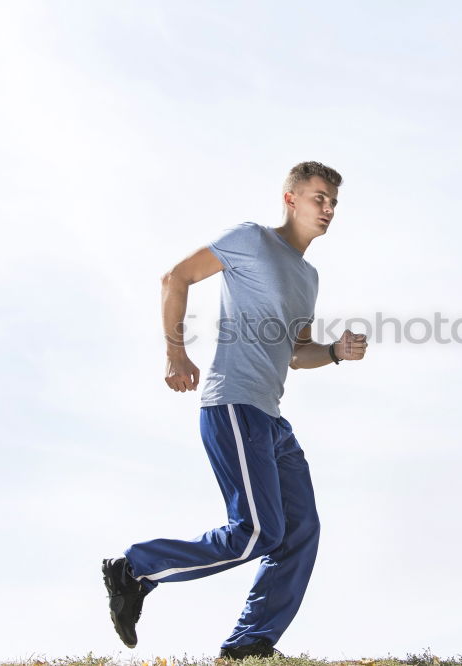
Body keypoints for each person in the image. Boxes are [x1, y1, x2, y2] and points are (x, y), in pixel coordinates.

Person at [101, 161, 368, 659]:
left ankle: (250, 645)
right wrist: (175, 352)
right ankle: (135, 568)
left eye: (333, 202)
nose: (328, 209)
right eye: (318, 198)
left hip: (270, 417)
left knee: (299, 530)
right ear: (290, 199)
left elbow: (296, 351)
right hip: (232, 404)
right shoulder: (251, 239)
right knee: (258, 532)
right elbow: (175, 277)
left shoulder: (308, 276)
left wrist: (332, 351)